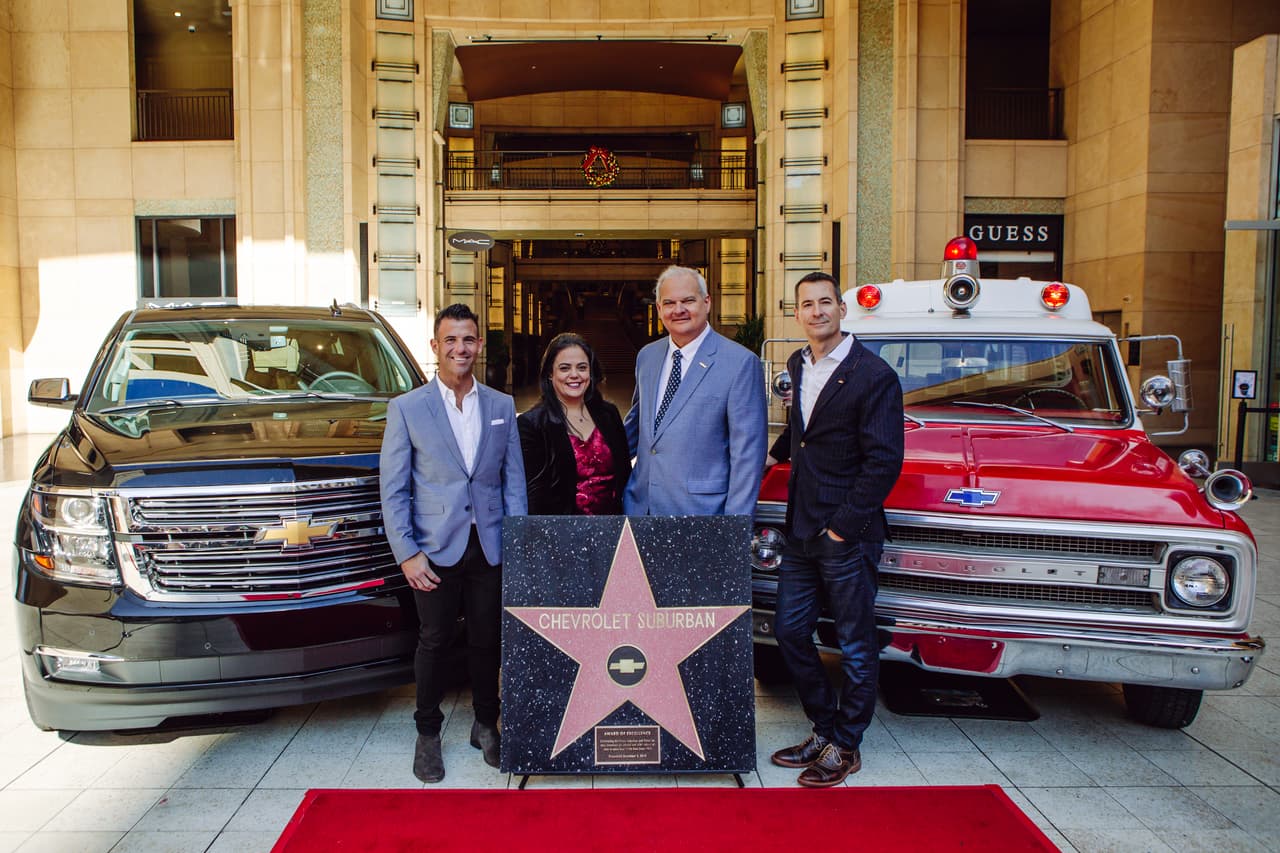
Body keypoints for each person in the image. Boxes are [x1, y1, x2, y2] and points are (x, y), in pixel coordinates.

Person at [765, 271, 904, 787]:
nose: (817, 311)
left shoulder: (874, 375)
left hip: (847, 533)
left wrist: (843, 530)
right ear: (797, 313)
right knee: (789, 631)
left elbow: (885, 461)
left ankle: (847, 745)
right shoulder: (798, 364)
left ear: (842, 310)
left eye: (826, 302)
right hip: (801, 529)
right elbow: (804, 431)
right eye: (807, 304)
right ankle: (823, 729)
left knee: (854, 641)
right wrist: (768, 456)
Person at [379, 303, 528, 783]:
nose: (460, 348)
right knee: (436, 640)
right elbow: (394, 488)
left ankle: (486, 724)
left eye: (468, 339)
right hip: (432, 549)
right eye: (450, 340)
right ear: (435, 347)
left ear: (479, 344)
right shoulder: (407, 408)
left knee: (488, 639)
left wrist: (518, 544)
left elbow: (514, 484)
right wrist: (406, 553)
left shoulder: (502, 406)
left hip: (489, 545)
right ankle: (428, 732)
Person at [623, 265, 767, 516]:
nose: (678, 310)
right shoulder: (647, 356)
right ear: (658, 309)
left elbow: (747, 457)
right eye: (669, 303)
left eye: (688, 300)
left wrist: (733, 528)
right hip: (640, 508)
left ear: (707, 302)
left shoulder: (740, 363)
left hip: (703, 514)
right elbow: (636, 428)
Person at [518, 333, 630, 515]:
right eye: (564, 368)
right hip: (561, 534)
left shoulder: (608, 414)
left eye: (582, 367)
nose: (575, 375)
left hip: (613, 530)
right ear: (549, 374)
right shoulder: (532, 425)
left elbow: (624, 473)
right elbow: (534, 498)